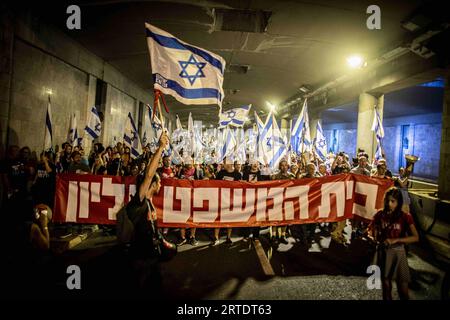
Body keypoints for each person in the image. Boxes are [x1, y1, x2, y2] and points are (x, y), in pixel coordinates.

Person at [125, 132, 173, 293]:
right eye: (159, 182)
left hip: (150, 257)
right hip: (139, 259)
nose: (161, 185)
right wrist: (160, 148)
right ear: (153, 184)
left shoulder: (150, 203)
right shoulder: (140, 202)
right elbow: (149, 174)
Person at [368, 187, 419, 300]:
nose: (389, 204)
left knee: (403, 289)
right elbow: (372, 232)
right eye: (387, 200)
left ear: (398, 202)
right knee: (386, 286)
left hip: (398, 253)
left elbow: (415, 237)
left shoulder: (405, 217)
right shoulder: (379, 215)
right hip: (383, 252)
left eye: (393, 201)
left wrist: (396, 240)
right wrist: (373, 236)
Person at [212, 158, 242, 245]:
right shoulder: (221, 173)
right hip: (221, 199)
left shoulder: (237, 174)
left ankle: (228, 237)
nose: (223, 164)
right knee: (218, 218)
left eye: (224, 163)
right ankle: (216, 237)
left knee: (230, 219)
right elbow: (215, 184)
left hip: (232, 200)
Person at [271, 159, 295, 244]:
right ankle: (273, 235)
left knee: (285, 218)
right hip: (277, 199)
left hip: (287, 199)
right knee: (275, 217)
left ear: (288, 166)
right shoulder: (275, 176)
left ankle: (283, 235)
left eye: (285, 165)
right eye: (282, 165)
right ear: (280, 166)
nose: (284, 167)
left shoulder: (291, 176)